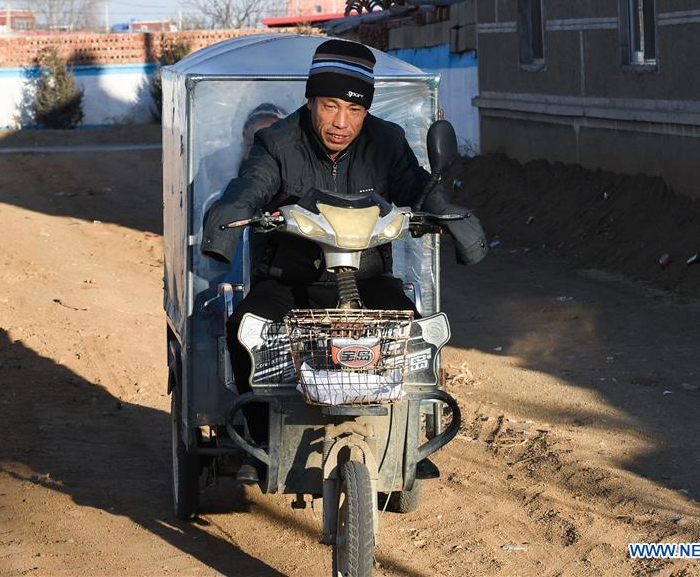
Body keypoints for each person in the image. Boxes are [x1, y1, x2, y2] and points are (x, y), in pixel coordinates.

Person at [201, 39, 487, 484]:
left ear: (366, 111)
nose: (341, 123)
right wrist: (232, 212)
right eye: (330, 106)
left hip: (367, 279)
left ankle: (405, 438)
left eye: (354, 111)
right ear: (311, 100)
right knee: (245, 330)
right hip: (290, 284)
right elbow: (251, 185)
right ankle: (258, 444)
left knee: (413, 335)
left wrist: (447, 213)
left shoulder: (386, 141)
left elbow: (417, 189)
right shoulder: (277, 142)